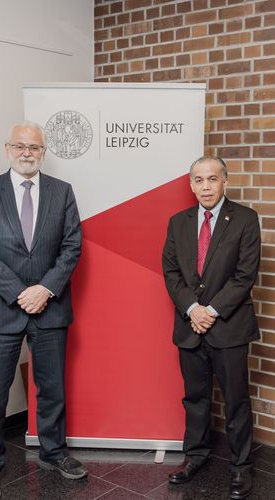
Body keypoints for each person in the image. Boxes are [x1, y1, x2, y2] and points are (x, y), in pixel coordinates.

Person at [0, 121, 87, 500]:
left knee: (51, 388)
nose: (26, 152)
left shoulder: (62, 191)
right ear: (7, 149)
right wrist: (22, 293)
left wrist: (46, 290)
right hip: (0, 307)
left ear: (43, 152)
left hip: (50, 307)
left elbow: (72, 246)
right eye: (19, 146)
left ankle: (54, 453)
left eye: (34, 147)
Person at [162, 156, 260, 500]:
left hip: (229, 327)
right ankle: (196, 457)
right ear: (191, 185)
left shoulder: (246, 219)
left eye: (212, 179)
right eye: (199, 180)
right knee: (196, 398)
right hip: (190, 326)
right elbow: (171, 272)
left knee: (235, 400)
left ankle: (241, 467)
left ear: (224, 181)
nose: (205, 186)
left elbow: (245, 275)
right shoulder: (178, 222)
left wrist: (211, 311)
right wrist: (192, 308)